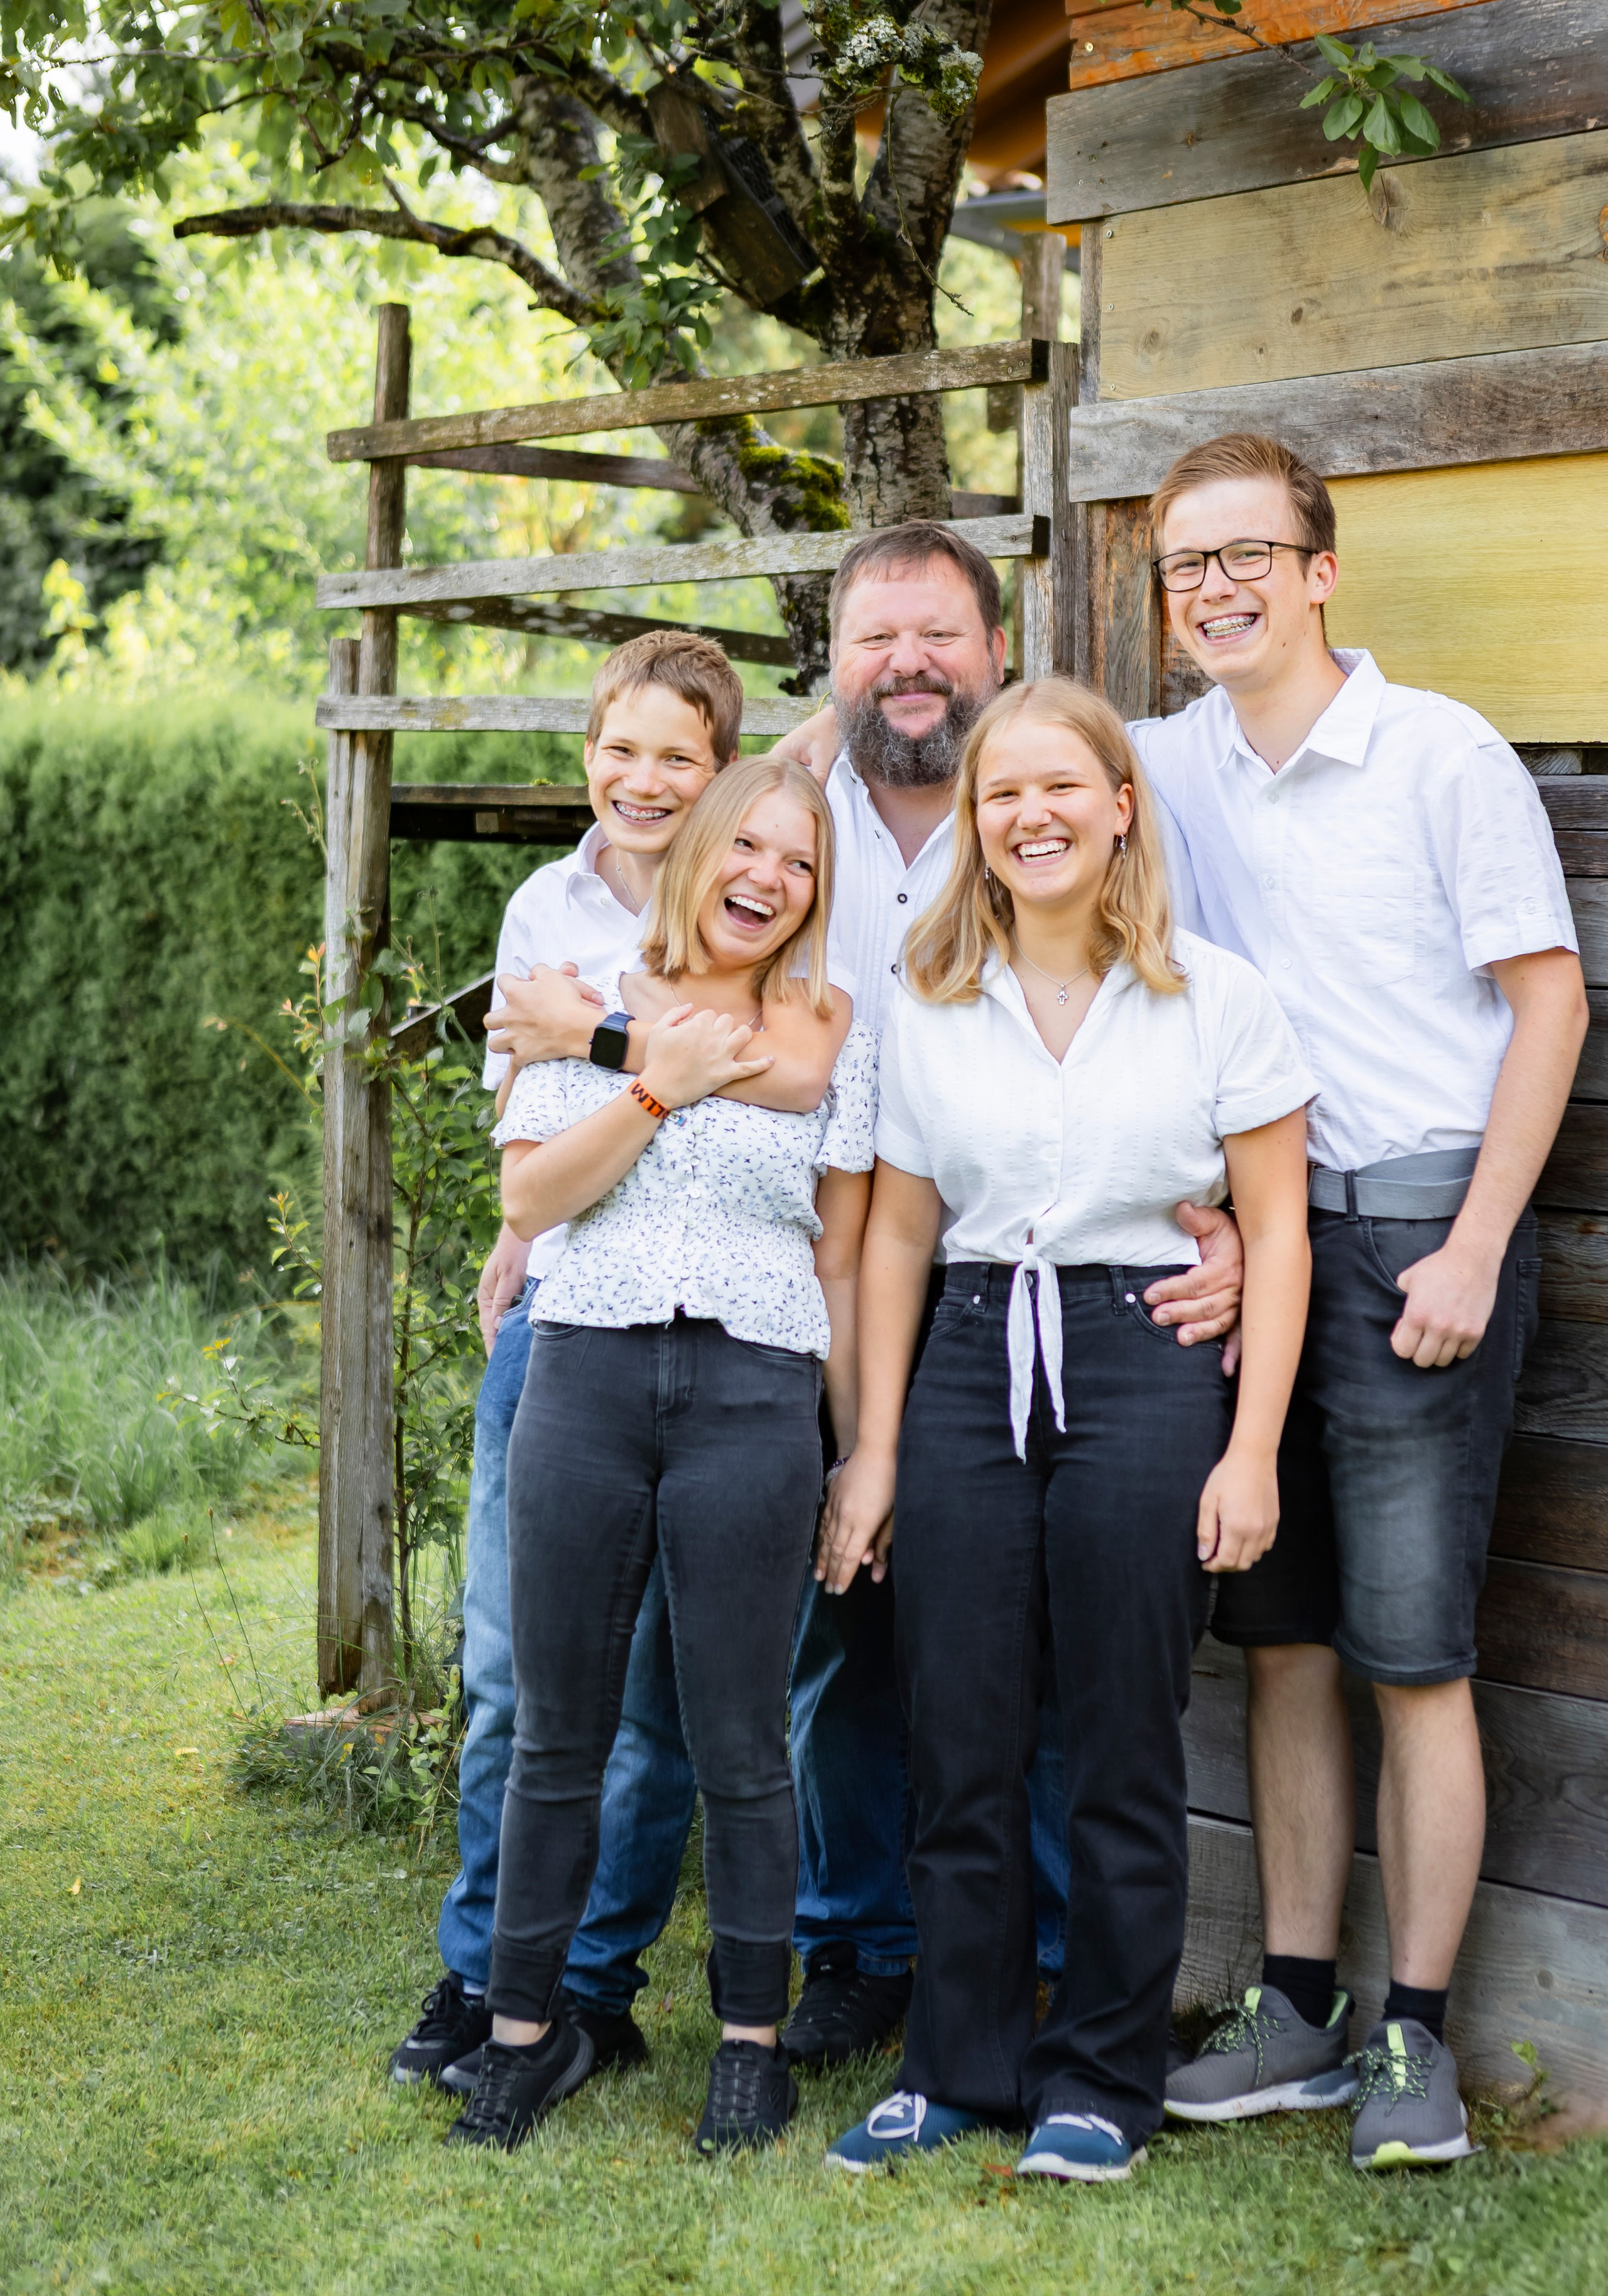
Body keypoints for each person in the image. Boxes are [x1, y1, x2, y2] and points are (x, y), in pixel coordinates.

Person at [494, 522, 1249, 2063]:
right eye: (871, 640)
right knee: (808, 1642)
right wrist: (581, 1111)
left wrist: (1228, 1219)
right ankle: (828, 1949)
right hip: (775, 1285)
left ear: (994, 646)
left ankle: (1039, 1956)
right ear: (830, 663)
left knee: (1011, 1645)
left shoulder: (1030, 802)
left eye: (938, 637)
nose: (906, 666)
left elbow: (1163, 1028)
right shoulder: (767, 810)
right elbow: (556, 1002)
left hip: (999, 1280)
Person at [1136, 436, 1586, 2169]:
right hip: (1266, 1251)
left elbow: (1546, 1008)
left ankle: (1418, 2043)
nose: (1219, 588)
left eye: (1251, 554)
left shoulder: (1438, 755)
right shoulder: (1171, 763)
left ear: (1323, 571)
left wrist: (1477, 1243)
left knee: (1414, 1657)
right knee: (1284, 1642)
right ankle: (1301, 2013)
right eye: (1188, 566)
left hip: (1416, 1239)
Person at [819, 678, 1314, 2182]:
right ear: (972, 827)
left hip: (1145, 1354)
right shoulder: (927, 995)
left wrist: (1249, 1451)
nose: (1027, 816)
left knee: (1116, 1735)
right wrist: (879, 1447)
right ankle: (957, 2064)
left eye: (1057, 788)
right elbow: (899, 1237)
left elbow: (1276, 1236)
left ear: (1116, 807)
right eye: (997, 795)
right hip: (970, 1352)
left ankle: (1101, 2075)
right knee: (955, 1730)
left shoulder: (1211, 996)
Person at [388, 632, 840, 2097]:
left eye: (680, 759)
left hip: (746, 1379)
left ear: (720, 785)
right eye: (621, 748)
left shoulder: (807, 993)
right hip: (569, 1337)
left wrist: (600, 1034)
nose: (643, 782)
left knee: (689, 1712)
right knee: (527, 1685)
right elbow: (529, 1177)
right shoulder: (554, 916)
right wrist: (636, 1055)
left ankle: (600, 1985)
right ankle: (491, 1984)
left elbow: (819, 1092)